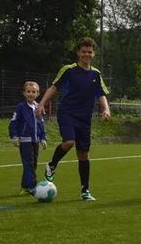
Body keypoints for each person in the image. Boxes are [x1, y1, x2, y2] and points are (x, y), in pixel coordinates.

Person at [36, 37, 111, 201]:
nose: (86, 55)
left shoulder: (96, 74)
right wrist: (41, 104)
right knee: (69, 141)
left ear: (93, 54)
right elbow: (54, 87)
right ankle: (52, 164)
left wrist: (106, 109)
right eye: (83, 52)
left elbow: (101, 94)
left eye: (89, 52)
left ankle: (85, 191)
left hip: (85, 118)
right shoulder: (69, 70)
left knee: (84, 154)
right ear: (78, 52)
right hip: (67, 113)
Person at [9, 81, 48, 195]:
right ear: (24, 93)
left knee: (33, 163)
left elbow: (41, 124)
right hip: (25, 141)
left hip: (35, 141)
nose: (31, 94)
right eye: (28, 91)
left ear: (38, 94)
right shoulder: (21, 107)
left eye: (33, 92)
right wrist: (15, 137)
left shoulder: (38, 107)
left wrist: (43, 138)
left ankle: (25, 187)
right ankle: (32, 187)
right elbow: (14, 123)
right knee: (29, 164)